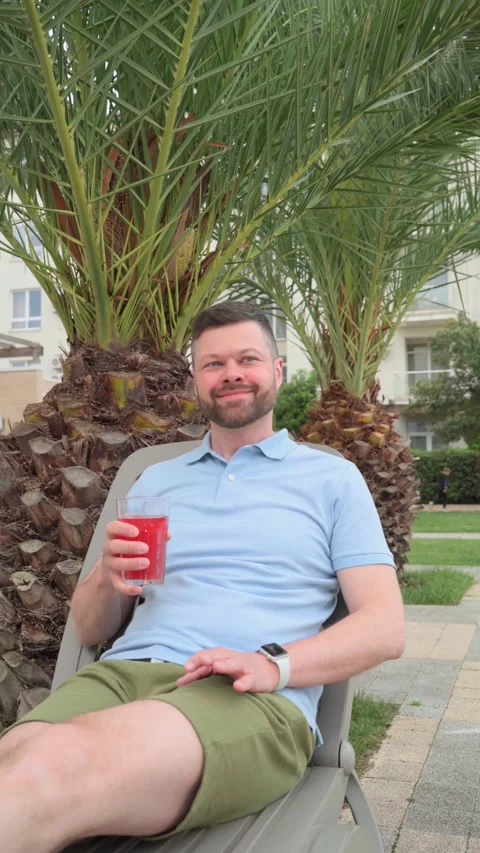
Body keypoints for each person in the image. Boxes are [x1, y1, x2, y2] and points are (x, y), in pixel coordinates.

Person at [0, 301, 405, 853]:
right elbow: (93, 631)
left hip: (243, 694)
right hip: (122, 676)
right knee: (14, 763)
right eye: (213, 364)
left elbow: (384, 628)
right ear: (196, 380)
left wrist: (273, 663)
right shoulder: (154, 481)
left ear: (277, 370)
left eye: (247, 358)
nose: (231, 373)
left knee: (45, 773)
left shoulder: (332, 479)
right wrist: (106, 580)